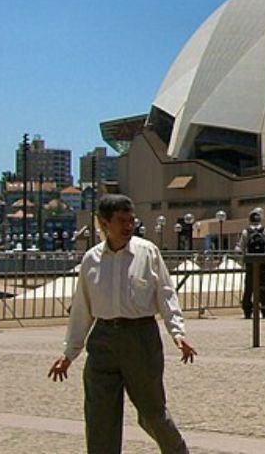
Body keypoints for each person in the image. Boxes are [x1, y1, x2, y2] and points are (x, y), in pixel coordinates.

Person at [48, 194, 196, 454]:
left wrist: (178, 333)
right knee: (99, 416)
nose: (129, 226)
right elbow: (82, 310)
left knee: (152, 413)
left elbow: (166, 294)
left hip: (141, 338)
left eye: (131, 220)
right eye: (121, 221)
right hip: (103, 340)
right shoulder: (91, 260)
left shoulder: (147, 252)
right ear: (104, 223)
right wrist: (69, 354)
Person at [237, 207, 265, 319]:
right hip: (263, 262)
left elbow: (241, 247)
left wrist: (242, 260)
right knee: (264, 286)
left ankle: (248, 311)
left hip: (250, 262)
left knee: (249, 287)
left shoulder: (246, 232)